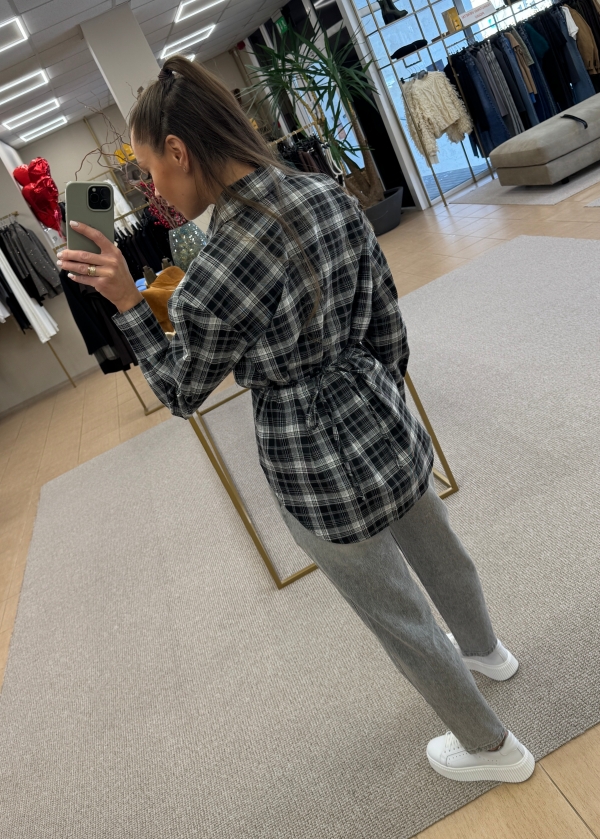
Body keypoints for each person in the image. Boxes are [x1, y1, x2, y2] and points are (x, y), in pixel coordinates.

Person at [57, 56, 534, 784]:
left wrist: (128, 304)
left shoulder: (214, 273)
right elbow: (386, 319)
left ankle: (491, 748)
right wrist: (378, 391)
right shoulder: (325, 194)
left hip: (309, 456)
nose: (154, 192)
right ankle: (487, 652)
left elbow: (182, 391)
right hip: (379, 408)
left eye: (151, 173)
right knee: (439, 547)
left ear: (179, 151)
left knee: (396, 612)